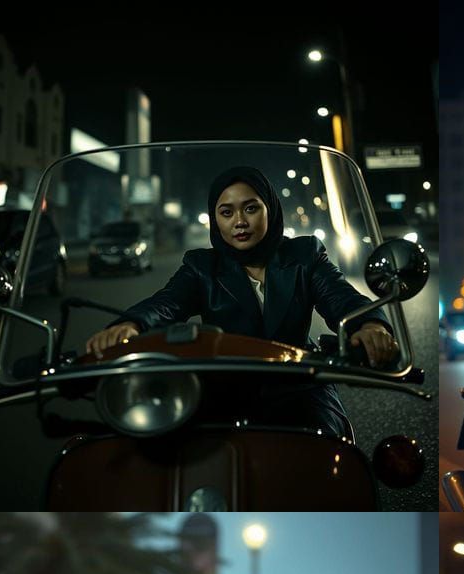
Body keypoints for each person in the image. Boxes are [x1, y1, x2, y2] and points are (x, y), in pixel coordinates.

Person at [83, 165, 398, 439]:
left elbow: (341, 297)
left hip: (300, 385)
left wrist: (369, 324)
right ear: (216, 219)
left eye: (250, 208)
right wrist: (131, 323)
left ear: (269, 210)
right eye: (226, 212)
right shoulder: (201, 267)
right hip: (223, 388)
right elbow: (166, 303)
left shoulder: (304, 256)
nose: (239, 221)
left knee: (330, 451)